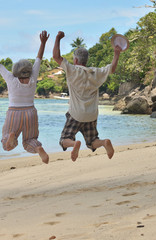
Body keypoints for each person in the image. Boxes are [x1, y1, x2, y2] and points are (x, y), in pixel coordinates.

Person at [0, 31, 50, 164]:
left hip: (14, 113)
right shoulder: (33, 78)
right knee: (29, 141)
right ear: (29, 70)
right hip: (30, 112)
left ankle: (11, 137)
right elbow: (39, 58)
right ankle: (39, 148)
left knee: (6, 145)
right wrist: (43, 43)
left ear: (15, 71)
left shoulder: (11, 79)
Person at [52, 31, 122, 162]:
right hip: (91, 115)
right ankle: (104, 142)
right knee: (92, 141)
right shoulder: (95, 72)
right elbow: (111, 68)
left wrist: (57, 38)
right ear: (86, 60)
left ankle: (73, 144)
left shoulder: (73, 70)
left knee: (64, 139)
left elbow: (56, 56)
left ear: (76, 60)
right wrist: (116, 53)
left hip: (76, 114)